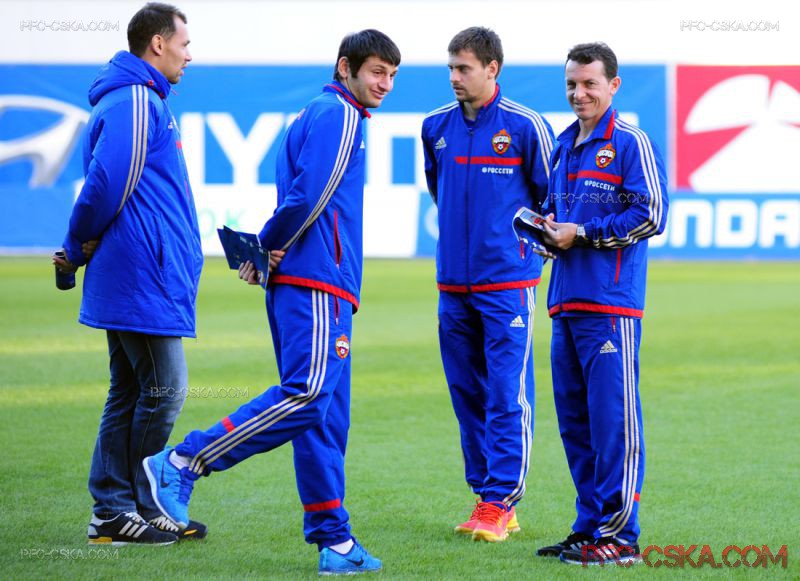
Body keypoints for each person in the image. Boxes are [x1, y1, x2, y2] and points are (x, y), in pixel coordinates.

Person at [143, 30, 401, 575]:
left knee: (322, 417)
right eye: (377, 71)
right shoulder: (341, 114)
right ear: (346, 67)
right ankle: (185, 460)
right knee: (307, 396)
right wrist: (268, 244)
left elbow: (301, 193)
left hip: (311, 281)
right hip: (317, 282)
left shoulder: (315, 112)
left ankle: (335, 542)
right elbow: (311, 194)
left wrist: (268, 250)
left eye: (392, 75)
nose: (385, 84)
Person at [52, 2, 206, 546]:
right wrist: (76, 246)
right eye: (184, 44)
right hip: (142, 274)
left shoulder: (140, 100)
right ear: (158, 44)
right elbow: (104, 183)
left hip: (142, 272)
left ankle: (123, 511)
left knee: (131, 390)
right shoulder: (138, 101)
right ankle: (125, 506)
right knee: (165, 390)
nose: (189, 55)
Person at [536, 42, 668, 565]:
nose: (579, 93)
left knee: (614, 424)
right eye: (572, 83)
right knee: (576, 426)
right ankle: (589, 526)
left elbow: (651, 214)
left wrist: (584, 234)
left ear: (613, 85)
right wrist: (547, 232)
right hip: (565, 303)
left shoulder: (631, 142)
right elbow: (560, 214)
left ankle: (621, 537)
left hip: (611, 306)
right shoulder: (563, 145)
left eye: (590, 83)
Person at [420, 27, 554, 542]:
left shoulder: (525, 126)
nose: (454, 77)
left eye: (464, 68)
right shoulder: (435, 126)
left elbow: (550, 200)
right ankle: (486, 497)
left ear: (492, 68)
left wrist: (518, 251)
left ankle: (501, 500)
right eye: (451, 68)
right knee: (467, 393)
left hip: (507, 285)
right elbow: (440, 191)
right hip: (452, 285)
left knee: (506, 393)